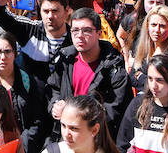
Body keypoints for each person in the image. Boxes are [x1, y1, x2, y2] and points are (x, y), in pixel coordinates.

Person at [47, 8, 132, 139]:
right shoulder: (65, 59)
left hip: (98, 139)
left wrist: (79, 115)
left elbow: (116, 109)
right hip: (64, 137)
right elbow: (53, 89)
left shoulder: (113, 67)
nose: (80, 35)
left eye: (86, 30)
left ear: (99, 33)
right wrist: (55, 105)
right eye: (75, 30)